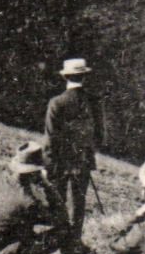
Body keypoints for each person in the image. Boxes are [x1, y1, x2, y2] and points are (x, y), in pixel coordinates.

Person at [43, 57, 105, 240]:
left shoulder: (57, 103)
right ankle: (75, 240)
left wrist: (48, 164)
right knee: (79, 203)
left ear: (66, 77)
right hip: (83, 159)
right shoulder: (94, 102)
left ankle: (59, 239)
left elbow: (50, 138)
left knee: (58, 202)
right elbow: (100, 135)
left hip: (59, 162)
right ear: (84, 77)